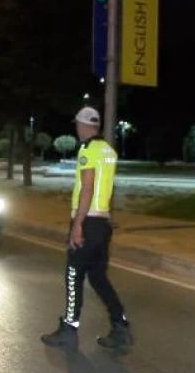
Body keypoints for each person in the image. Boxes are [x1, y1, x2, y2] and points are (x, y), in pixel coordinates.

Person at [41, 107, 133, 350]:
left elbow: (87, 188)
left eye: (77, 125)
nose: (77, 129)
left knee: (73, 275)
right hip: (102, 222)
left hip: (88, 222)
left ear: (83, 126)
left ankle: (69, 329)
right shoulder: (108, 151)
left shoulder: (87, 150)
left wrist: (78, 225)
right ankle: (120, 325)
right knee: (98, 277)